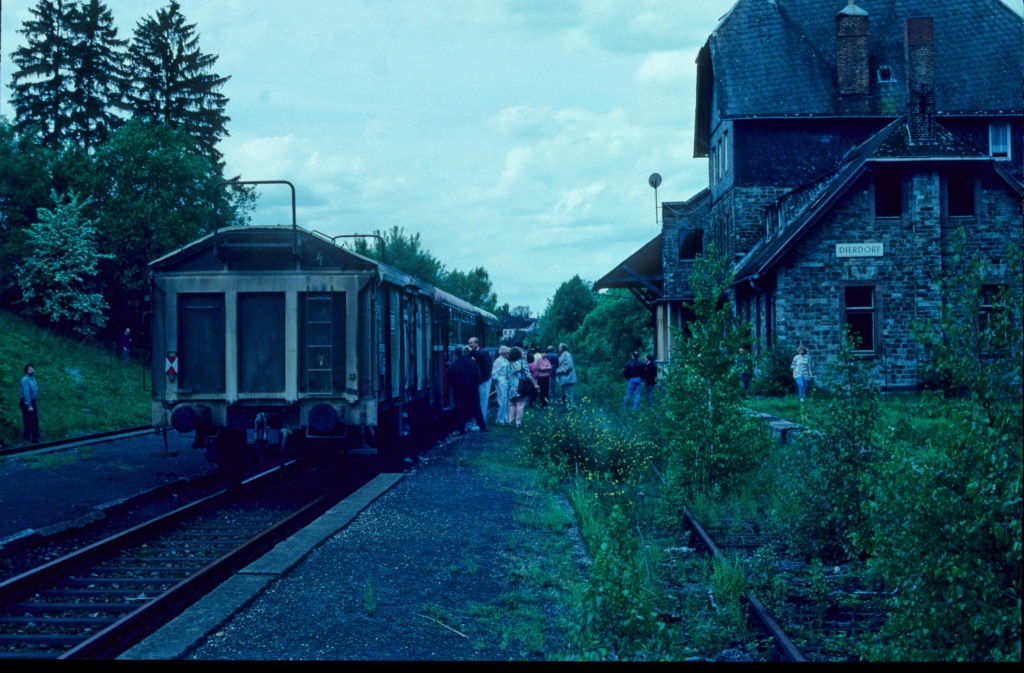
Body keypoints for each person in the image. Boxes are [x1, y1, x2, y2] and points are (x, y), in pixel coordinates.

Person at [448, 346, 487, 433]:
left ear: (456, 354)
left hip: (458, 390)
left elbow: (450, 381)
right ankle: (482, 427)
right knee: (476, 407)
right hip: (472, 389)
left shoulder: (453, 365)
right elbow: (478, 377)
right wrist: (475, 385)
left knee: (460, 409)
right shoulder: (472, 363)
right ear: (464, 352)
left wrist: (456, 387)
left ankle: (461, 429)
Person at [506, 347, 538, 428]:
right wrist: (534, 384)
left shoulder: (508, 364)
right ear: (519, 354)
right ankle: (518, 423)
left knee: (512, 405)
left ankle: (510, 421)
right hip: (520, 387)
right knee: (520, 404)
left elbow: (507, 376)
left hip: (511, 387)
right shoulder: (522, 363)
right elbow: (528, 375)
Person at [467, 337, 493, 429]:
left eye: (471, 343)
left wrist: (470, 351)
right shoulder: (472, 353)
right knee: (476, 402)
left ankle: (481, 422)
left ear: (477, 343)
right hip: (476, 381)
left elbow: (479, 356)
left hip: (484, 380)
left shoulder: (483, 352)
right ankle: (476, 421)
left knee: (483, 401)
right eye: (469, 343)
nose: (470, 345)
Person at [19, 363, 40, 444]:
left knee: (34, 421)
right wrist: (29, 405)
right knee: (28, 422)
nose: (32, 370)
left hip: (32, 402)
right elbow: (26, 393)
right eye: (31, 369)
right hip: (27, 403)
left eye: (33, 369)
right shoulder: (25, 380)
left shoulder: (32, 379)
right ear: (26, 371)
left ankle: (36, 440)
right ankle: (27, 441)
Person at [491, 346, 511, 425]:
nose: (506, 354)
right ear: (500, 353)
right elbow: (494, 373)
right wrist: (498, 381)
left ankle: (505, 416)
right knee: (501, 400)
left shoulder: (506, 360)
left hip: (506, 381)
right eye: (504, 353)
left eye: (507, 352)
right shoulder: (498, 361)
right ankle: (500, 419)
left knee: (506, 400)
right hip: (501, 381)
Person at [556, 343, 577, 408]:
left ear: (562, 348)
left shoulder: (567, 355)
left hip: (568, 378)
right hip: (564, 379)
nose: (558, 348)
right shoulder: (562, 355)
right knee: (564, 395)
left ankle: (569, 409)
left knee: (568, 395)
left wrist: (560, 370)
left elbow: (569, 366)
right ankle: (565, 408)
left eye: (559, 347)